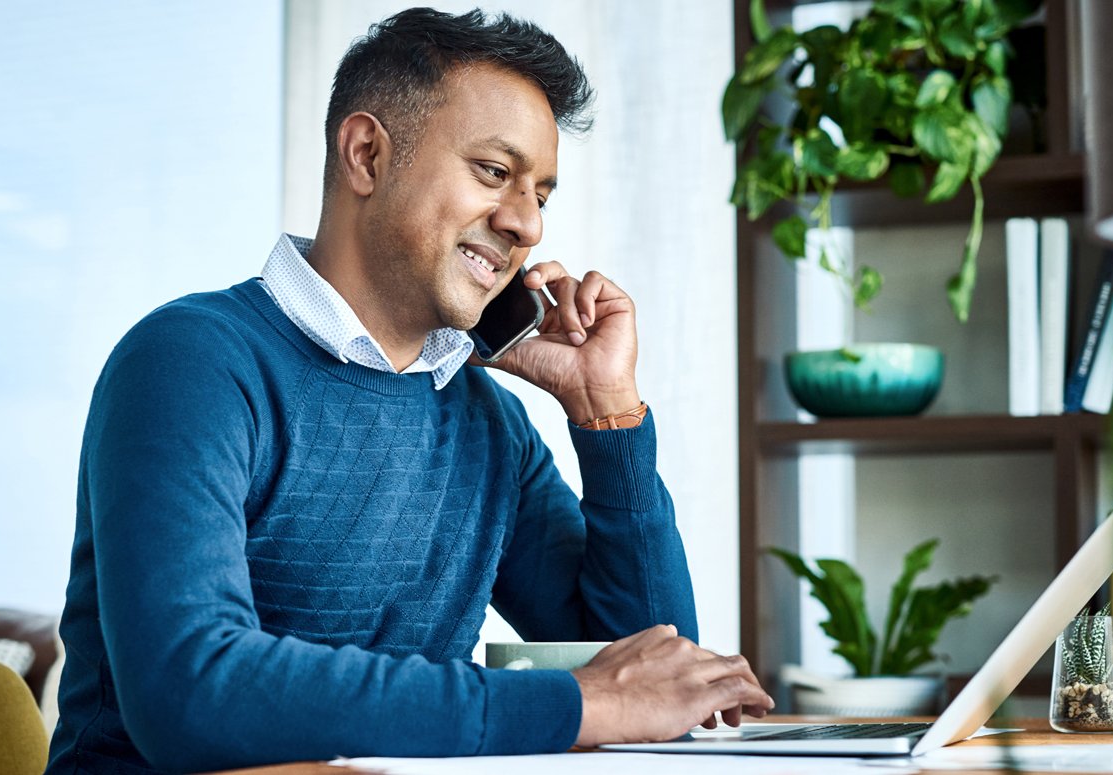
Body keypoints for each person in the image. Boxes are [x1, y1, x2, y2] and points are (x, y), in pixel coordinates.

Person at [45, 8, 771, 773]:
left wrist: (607, 414)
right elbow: (194, 692)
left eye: (542, 196)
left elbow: (653, 681)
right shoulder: (189, 363)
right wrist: (583, 703)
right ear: (366, 154)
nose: (526, 224)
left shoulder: (488, 422)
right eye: (495, 172)